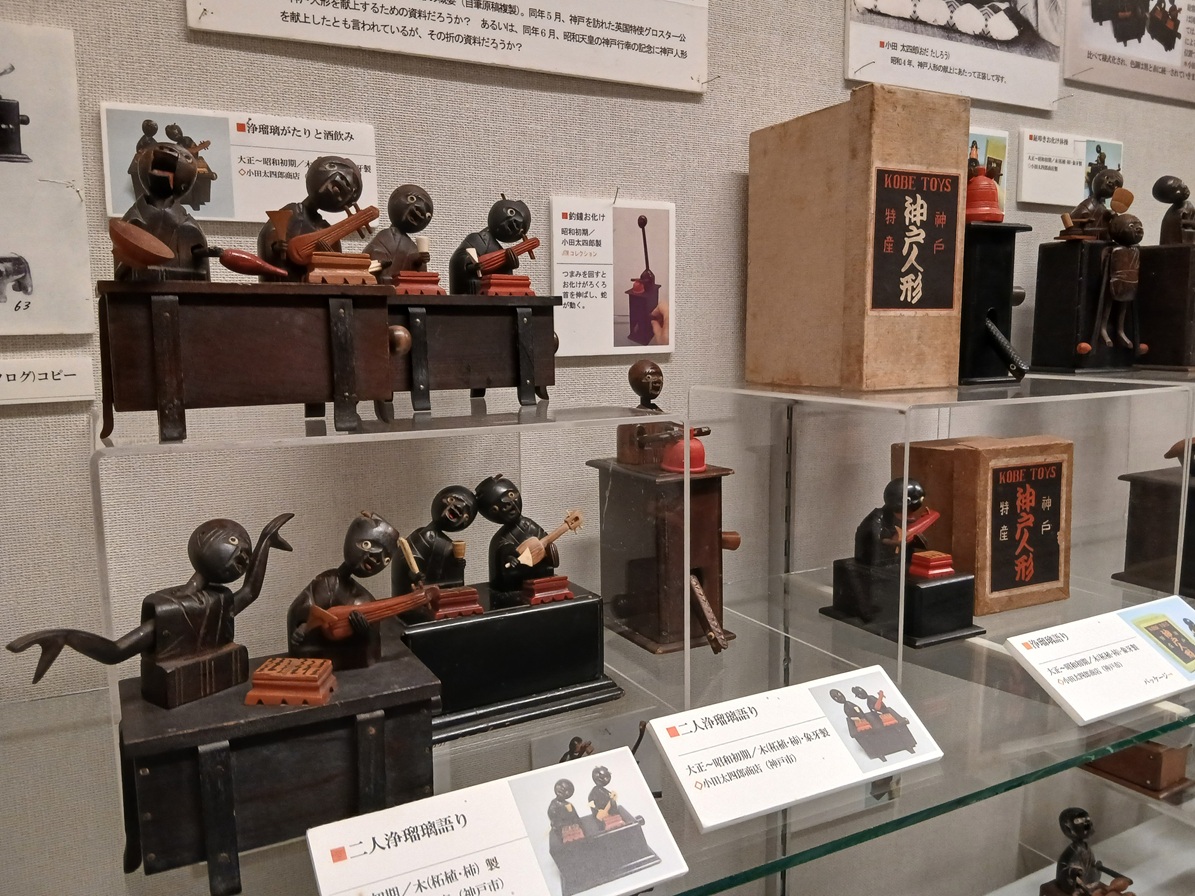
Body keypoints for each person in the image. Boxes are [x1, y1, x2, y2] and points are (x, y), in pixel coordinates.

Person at [7, 514, 293, 707]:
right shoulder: (175, 609)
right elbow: (115, 651)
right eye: (236, 548)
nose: (243, 558)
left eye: (245, 553)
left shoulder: (218, 600)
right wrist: (66, 637)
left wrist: (265, 541)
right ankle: (61, 637)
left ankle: (63, 637)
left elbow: (250, 591)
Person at [288, 512, 399, 669]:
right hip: (315, 664)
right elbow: (300, 611)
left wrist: (365, 634)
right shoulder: (325, 582)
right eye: (367, 545)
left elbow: (371, 648)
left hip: (351, 667)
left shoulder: (365, 599)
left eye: (385, 559)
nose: (376, 559)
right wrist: (303, 627)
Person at [258, 155, 364, 281]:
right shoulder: (294, 211)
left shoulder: (324, 227)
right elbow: (269, 236)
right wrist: (277, 247)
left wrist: (328, 255)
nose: (338, 190)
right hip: (286, 281)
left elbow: (335, 267)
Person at [475, 474, 556, 596]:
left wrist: (550, 552)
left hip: (538, 582)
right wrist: (509, 557)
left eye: (511, 495)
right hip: (511, 587)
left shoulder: (529, 525)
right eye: (496, 508)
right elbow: (504, 551)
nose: (508, 505)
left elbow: (545, 541)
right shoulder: (499, 539)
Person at [395, 485, 476, 594]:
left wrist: (457, 566)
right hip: (413, 595)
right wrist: (413, 573)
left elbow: (454, 582)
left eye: (466, 516)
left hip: (435, 595)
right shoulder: (421, 534)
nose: (459, 509)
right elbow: (402, 560)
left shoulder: (448, 546)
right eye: (451, 500)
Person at [448, 196, 531, 294]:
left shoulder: (499, 250)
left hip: (491, 295)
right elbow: (456, 260)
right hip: (472, 292)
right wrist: (471, 266)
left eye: (521, 229)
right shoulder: (478, 239)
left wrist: (508, 266)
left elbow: (501, 282)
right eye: (511, 212)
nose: (515, 224)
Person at [365, 184, 434, 280]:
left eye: (427, 215)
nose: (420, 212)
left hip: (405, 286)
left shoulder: (412, 246)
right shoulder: (385, 236)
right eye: (412, 199)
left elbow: (417, 271)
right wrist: (381, 261)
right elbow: (372, 254)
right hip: (383, 284)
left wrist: (420, 261)